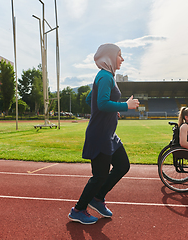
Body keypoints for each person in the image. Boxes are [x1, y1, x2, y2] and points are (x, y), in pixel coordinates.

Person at [68, 43, 140, 224]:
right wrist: (125, 106)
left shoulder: (107, 76)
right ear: (109, 57)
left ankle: (98, 198)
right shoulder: (105, 76)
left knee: (122, 166)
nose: (122, 59)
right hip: (100, 135)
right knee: (100, 176)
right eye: (120, 55)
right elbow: (101, 103)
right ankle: (78, 209)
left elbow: (90, 99)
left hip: (109, 135)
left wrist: (111, 110)